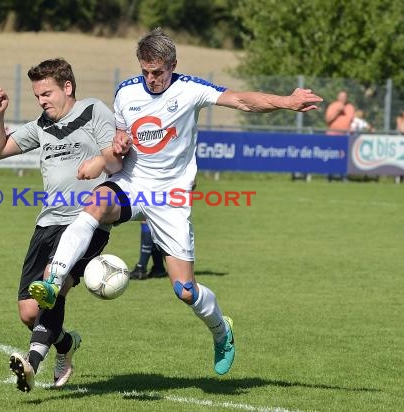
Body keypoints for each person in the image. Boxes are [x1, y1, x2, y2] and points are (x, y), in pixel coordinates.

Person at [28, 28, 323, 377]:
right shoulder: (126, 92)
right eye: (145, 71)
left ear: (173, 65)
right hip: (133, 183)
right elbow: (122, 137)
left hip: (170, 196)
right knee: (95, 202)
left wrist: (287, 102)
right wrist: (117, 147)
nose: (151, 79)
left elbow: (242, 100)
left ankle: (221, 330)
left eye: (158, 72)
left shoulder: (190, 89)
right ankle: (54, 279)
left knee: (184, 290)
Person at [0, 58, 121, 392]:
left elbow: (116, 159)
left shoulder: (93, 111)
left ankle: (31, 365)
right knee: (29, 312)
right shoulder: (41, 125)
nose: (42, 100)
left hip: (86, 221)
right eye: (37, 96)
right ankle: (65, 344)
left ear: (67, 88)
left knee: (52, 282)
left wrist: (99, 162)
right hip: (46, 223)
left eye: (47, 93)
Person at [325, 90, 354, 181]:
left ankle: (343, 176)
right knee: (332, 156)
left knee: (344, 157)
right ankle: (330, 176)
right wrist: (338, 112)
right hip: (332, 134)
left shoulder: (350, 107)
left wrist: (352, 128)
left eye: (344, 97)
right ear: (338, 97)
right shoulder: (333, 106)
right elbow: (328, 120)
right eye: (341, 97)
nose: (343, 99)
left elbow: (352, 120)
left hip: (345, 136)